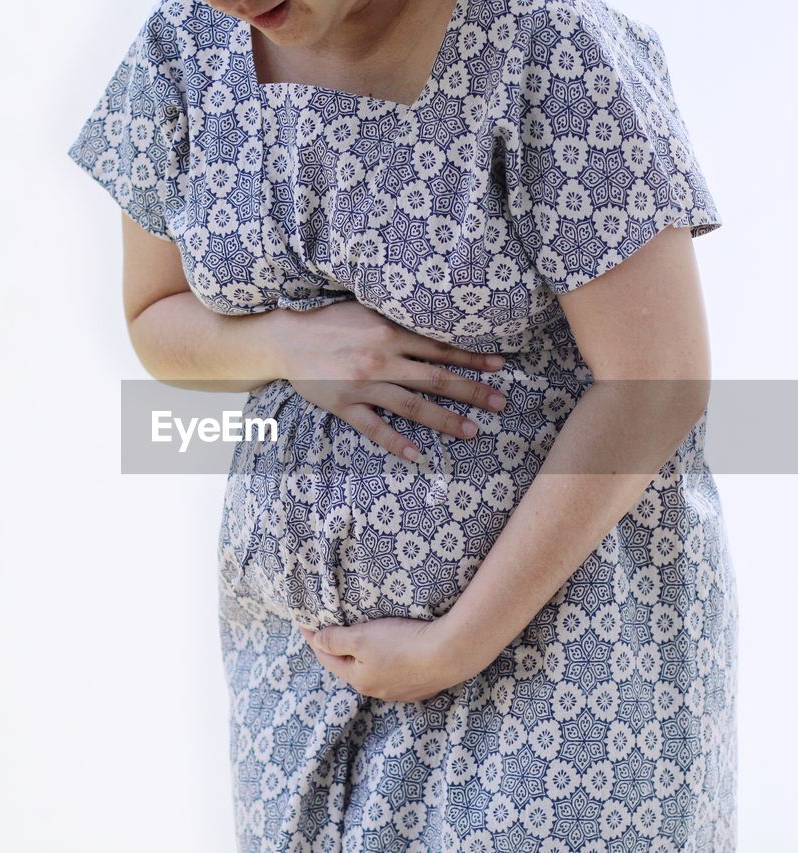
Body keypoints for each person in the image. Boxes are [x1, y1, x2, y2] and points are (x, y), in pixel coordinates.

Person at [67, 0, 738, 849]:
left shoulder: (550, 43)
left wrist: (455, 644)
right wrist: (287, 343)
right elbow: (154, 316)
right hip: (302, 674)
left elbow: (658, 382)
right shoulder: (180, 48)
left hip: (562, 661)